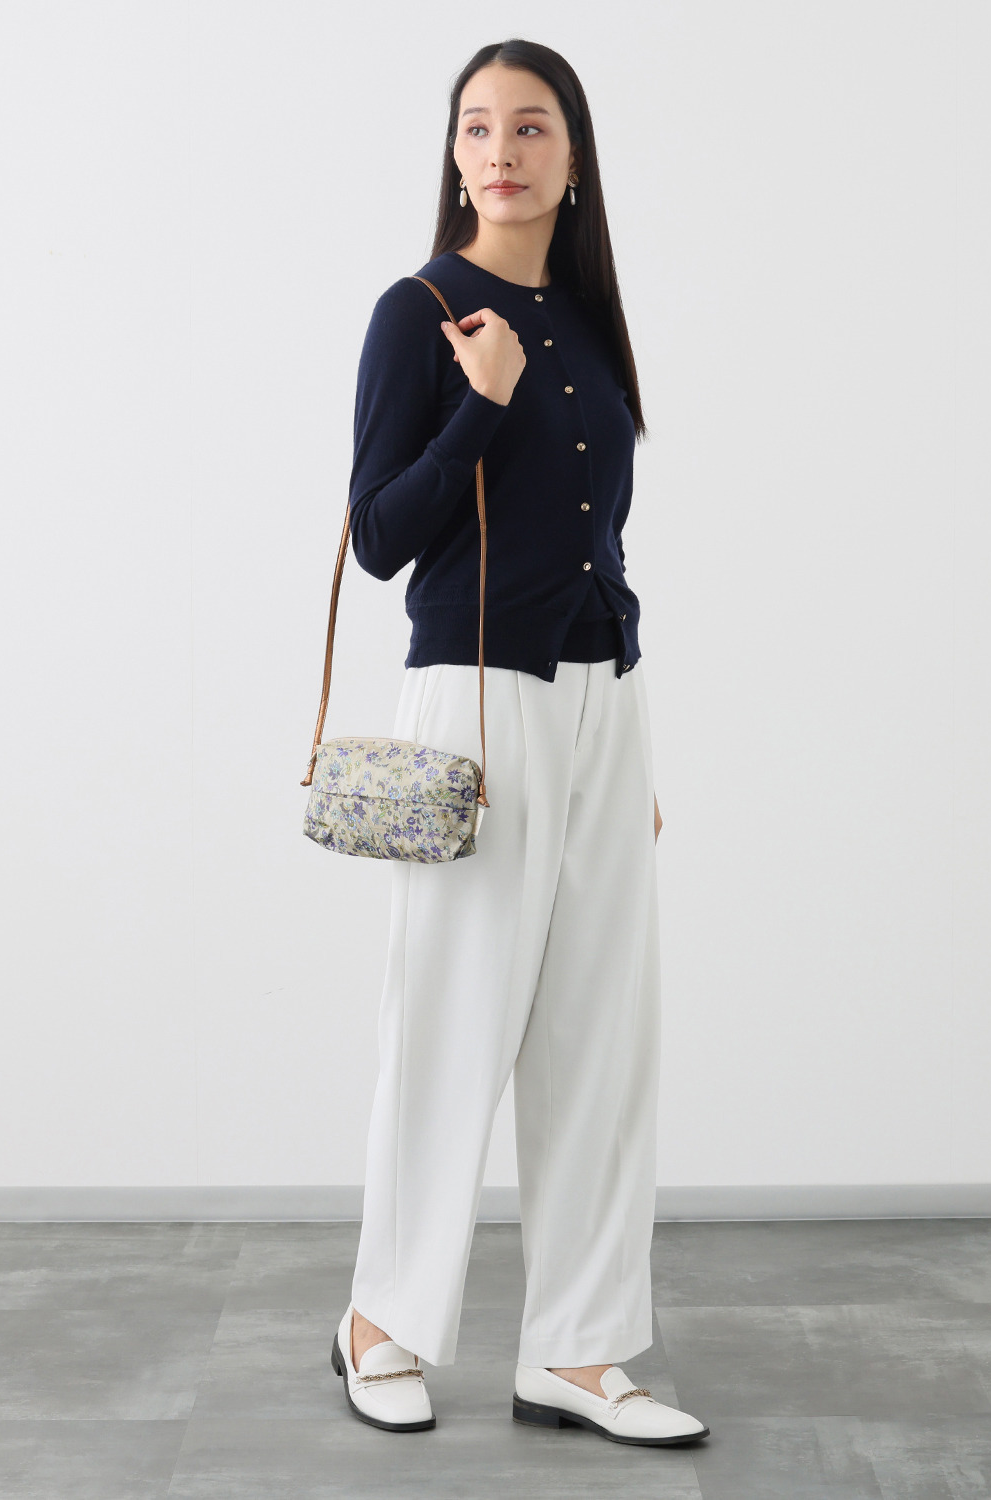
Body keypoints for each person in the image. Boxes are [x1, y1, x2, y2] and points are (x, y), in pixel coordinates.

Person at [326, 38, 708, 1448]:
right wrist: (480, 404)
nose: (501, 150)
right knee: (451, 1022)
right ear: (454, 154)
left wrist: (624, 746)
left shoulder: (592, 322)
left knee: (602, 1037)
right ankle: (380, 1323)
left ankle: (581, 1350)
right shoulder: (420, 313)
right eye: (478, 127)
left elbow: (600, 535)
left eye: (530, 126)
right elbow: (380, 538)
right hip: (478, 704)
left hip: (603, 697)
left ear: (573, 156)